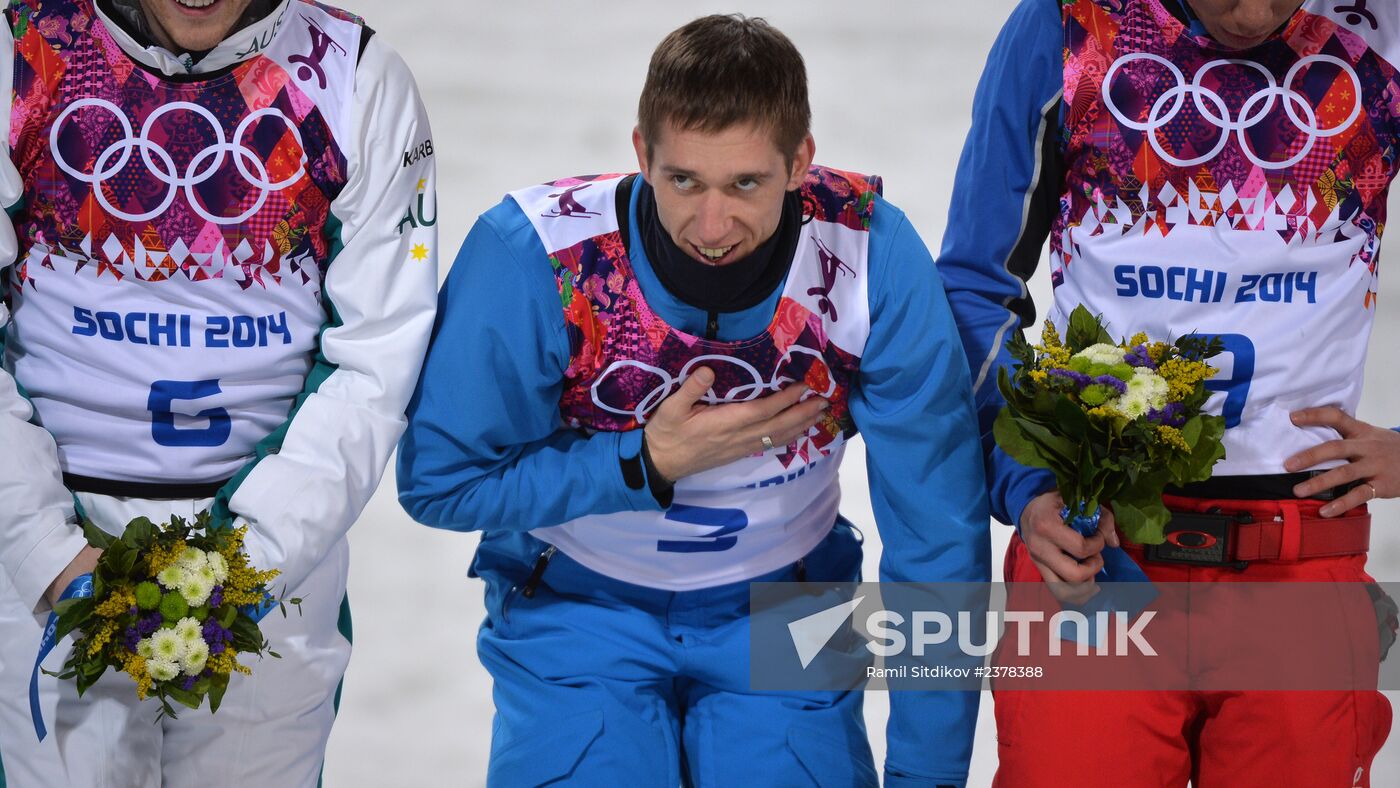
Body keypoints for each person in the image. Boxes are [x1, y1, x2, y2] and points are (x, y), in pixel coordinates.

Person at [397, 13, 989, 787]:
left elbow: (936, 539)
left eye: (746, 183)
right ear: (642, 153)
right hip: (579, 613)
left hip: (790, 614)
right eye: (683, 181)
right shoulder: (537, 257)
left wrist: (928, 780)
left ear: (800, 161)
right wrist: (641, 464)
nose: (712, 225)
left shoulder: (869, 255)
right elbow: (440, 481)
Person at [938, 0, 1397, 784]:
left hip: (1300, 559)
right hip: (1093, 552)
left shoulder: (1381, 33)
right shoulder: (1067, 24)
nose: (1249, 12)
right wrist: (1030, 483)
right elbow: (978, 284)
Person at [0, 0, 437, 784]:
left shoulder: (360, 78)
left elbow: (379, 355)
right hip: (49, 553)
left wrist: (256, 561)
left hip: (270, 566)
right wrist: (43, 549)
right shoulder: (19, 51)